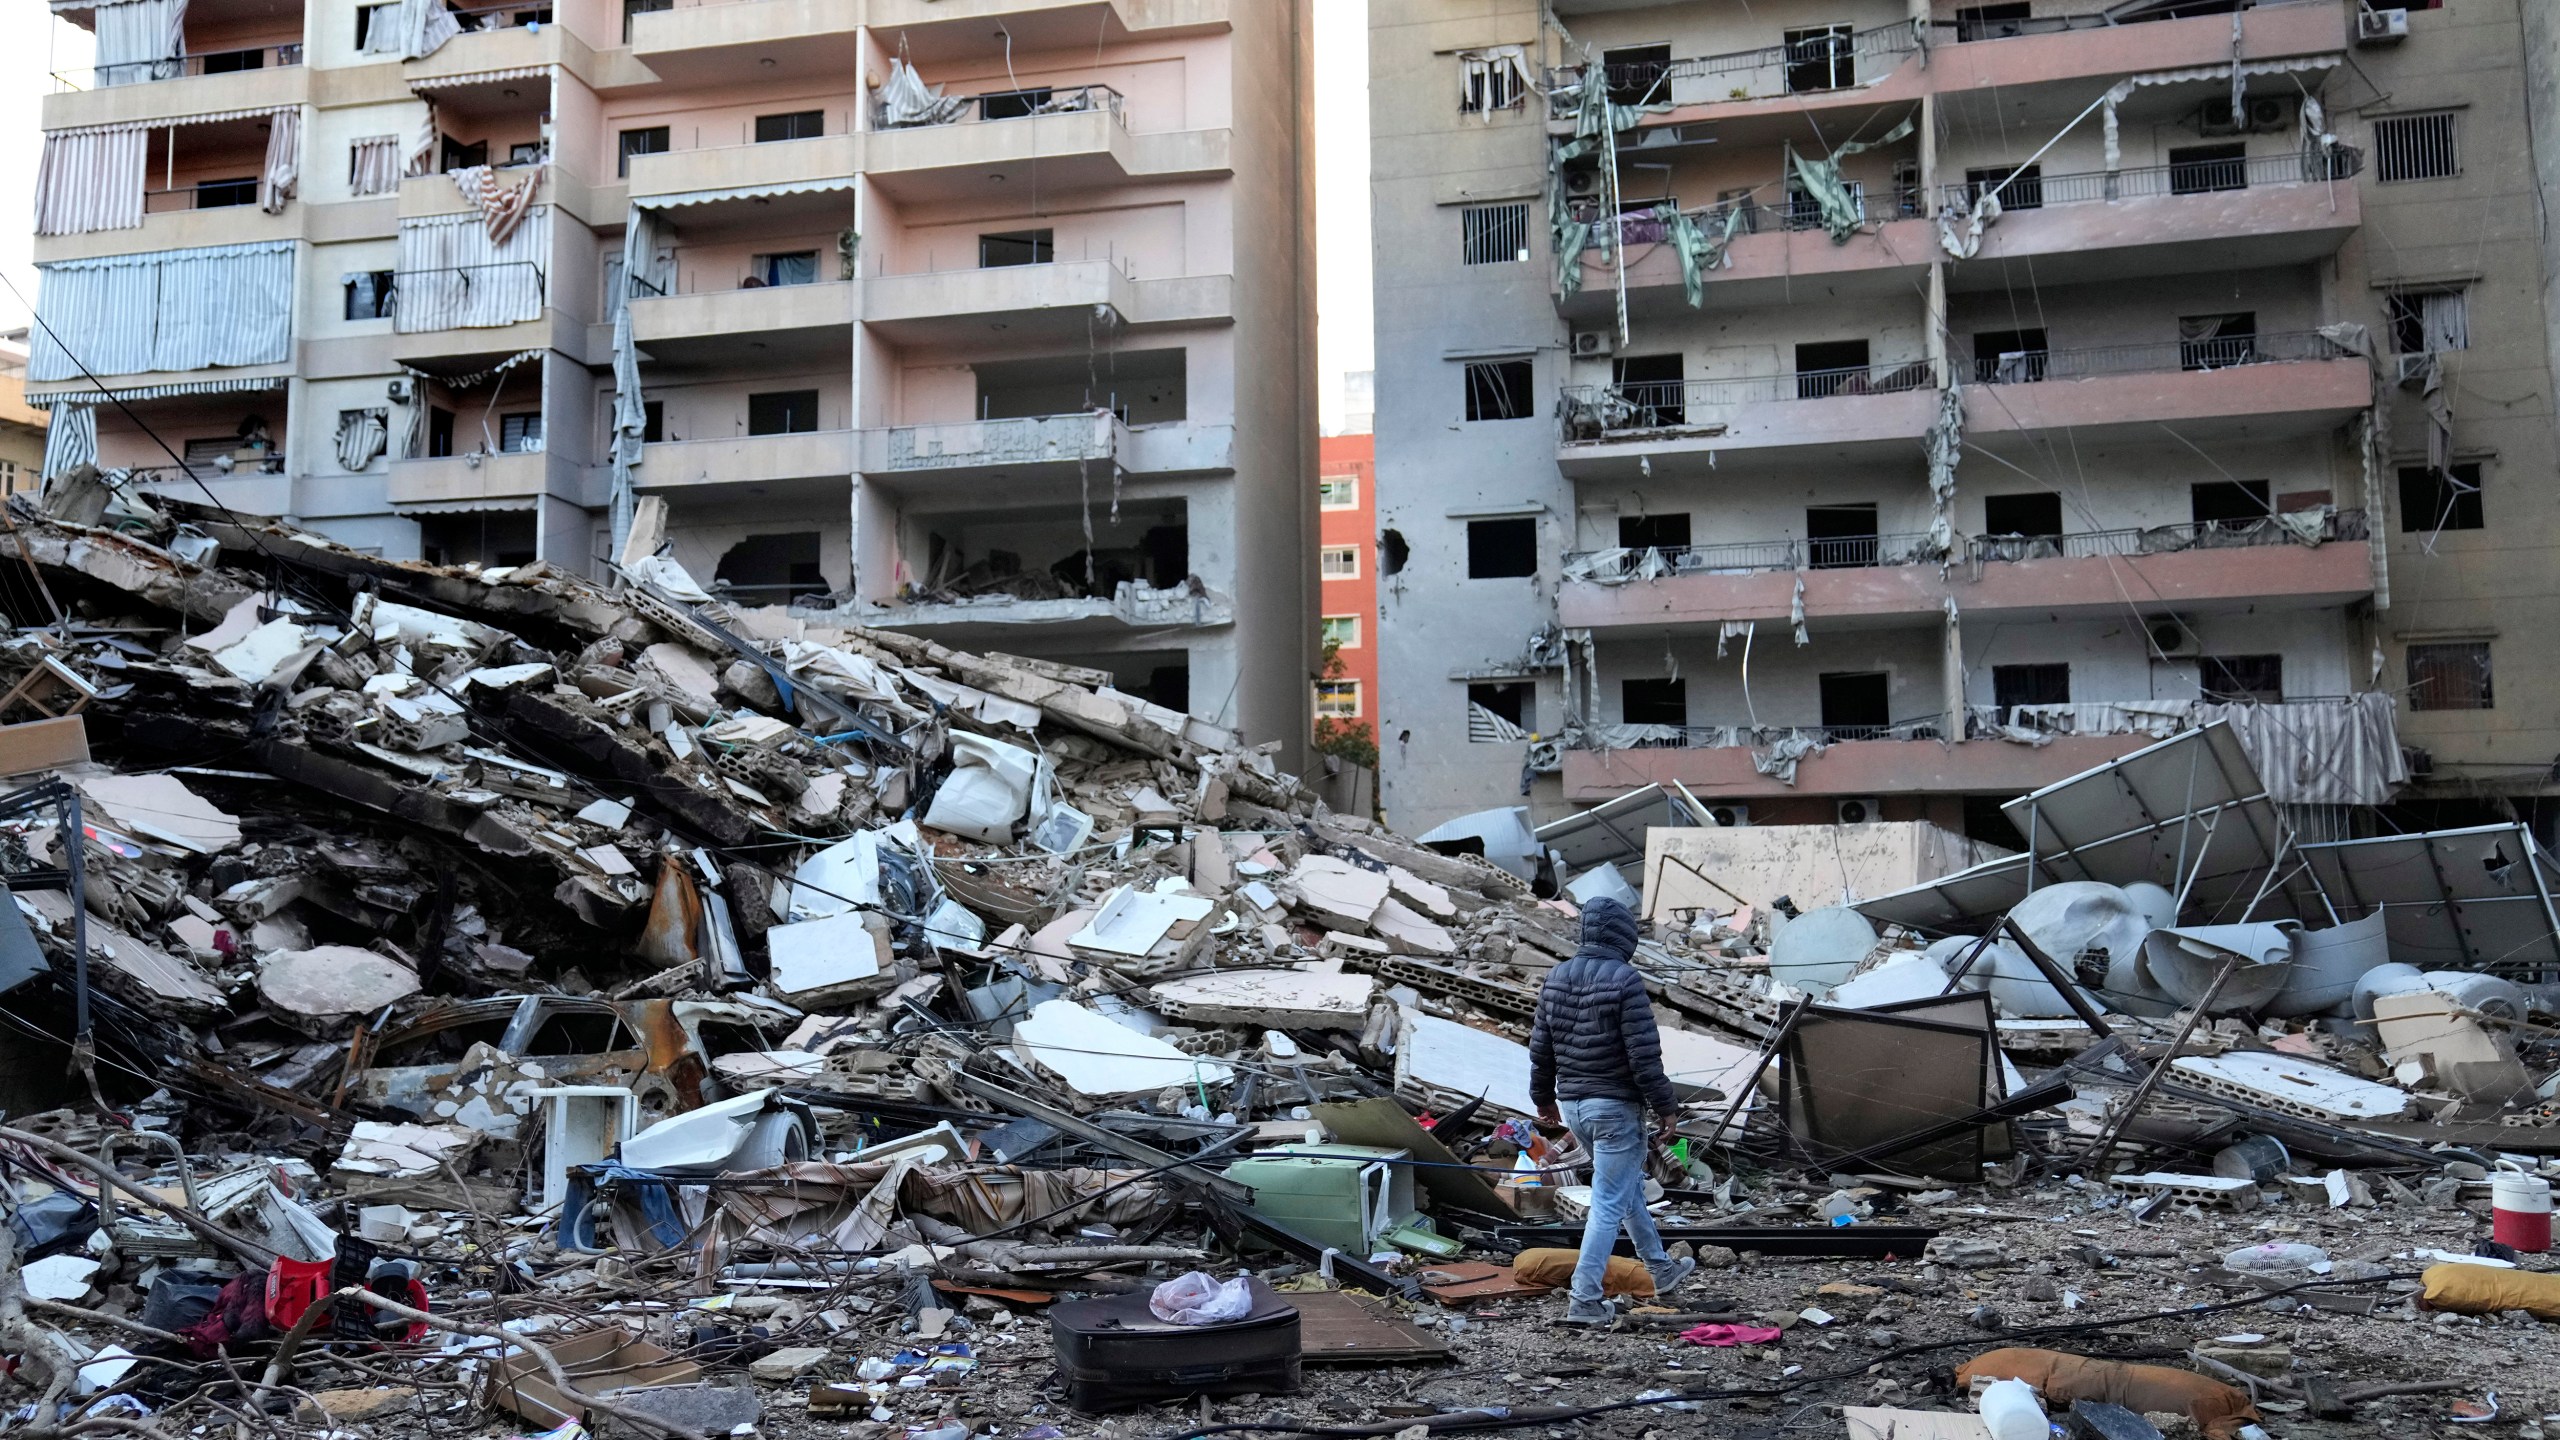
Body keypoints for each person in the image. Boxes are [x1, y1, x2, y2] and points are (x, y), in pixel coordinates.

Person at [1527, 895, 1693, 1324]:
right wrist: (1665, 1106)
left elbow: (1540, 1047)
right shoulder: (1625, 979)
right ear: (1624, 936)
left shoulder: (1557, 977)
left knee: (1626, 1188)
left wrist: (1542, 1097)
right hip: (1614, 1108)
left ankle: (1661, 1269)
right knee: (1607, 1203)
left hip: (1575, 1106)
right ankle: (1584, 1299)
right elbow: (1643, 1054)